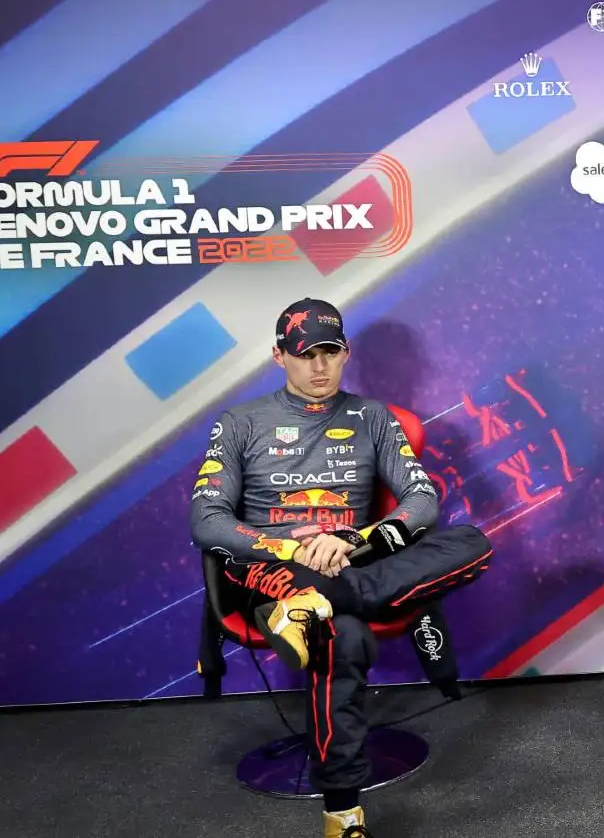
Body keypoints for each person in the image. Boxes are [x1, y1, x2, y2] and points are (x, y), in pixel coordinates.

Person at [190, 298, 493, 838]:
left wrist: (354, 539)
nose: (319, 367)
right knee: (343, 637)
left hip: (347, 560)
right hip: (275, 569)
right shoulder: (239, 423)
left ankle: (325, 604)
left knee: (472, 542)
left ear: (346, 354)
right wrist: (289, 551)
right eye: (305, 355)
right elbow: (207, 522)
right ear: (278, 356)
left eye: (330, 352)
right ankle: (343, 814)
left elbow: (421, 502)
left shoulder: (372, 417)